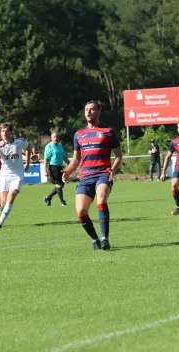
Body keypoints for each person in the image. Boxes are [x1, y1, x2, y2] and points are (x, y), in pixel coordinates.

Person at [62, 100, 123, 251]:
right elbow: (76, 159)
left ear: (99, 112)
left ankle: (105, 238)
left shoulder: (108, 131)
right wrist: (68, 172)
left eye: (92, 109)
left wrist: (113, 169)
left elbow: (119, 156)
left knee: (101, 198)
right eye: (86, 110)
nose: (88, 112)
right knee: (81, 211)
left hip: (103, 173)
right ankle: (95, 239)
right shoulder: (79, 134)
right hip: (85, 177)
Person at [0, 122, 30, 229]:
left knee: (11, 198)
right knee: (2, 202)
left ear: (10, 132)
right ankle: (4, 210)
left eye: (7, 131)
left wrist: (28, 163)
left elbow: (29, 147)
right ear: (1, 133)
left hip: (17, 175)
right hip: (4, 175)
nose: (5, 133)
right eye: (3, 131)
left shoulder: (19, 142)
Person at [43, 132, 70, 207]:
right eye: (54, 137)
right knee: (58, 184)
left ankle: (48, 197)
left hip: (59, 167)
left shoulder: (60, 146)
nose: (56, 138)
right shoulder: (49, 146)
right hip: (52, 167)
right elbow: (46, 159)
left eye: (57, 137)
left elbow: (64, 157)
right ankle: (62, 202)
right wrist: (45, 170)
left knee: (61, 185)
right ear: (51, 138)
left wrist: (70, 164)